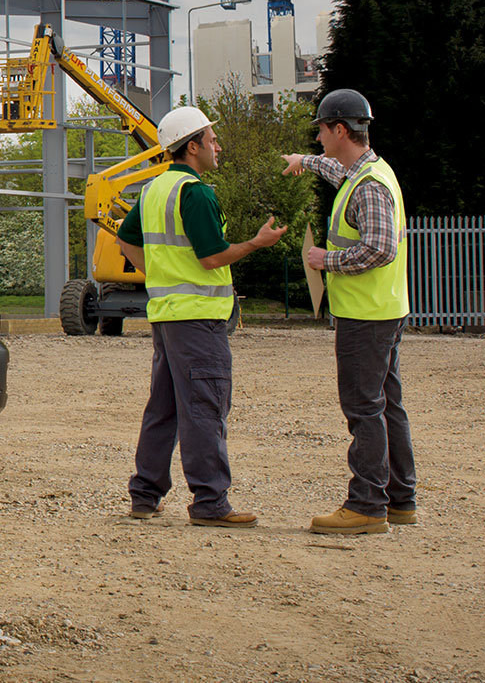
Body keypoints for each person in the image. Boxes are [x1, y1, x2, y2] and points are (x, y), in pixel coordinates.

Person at [118, 106, 287, 527]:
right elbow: (212, 257)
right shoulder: (196, 192)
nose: (218, 147)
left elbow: (125, 242)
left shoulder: (155, 190)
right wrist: (256, 243)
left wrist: (160, 274)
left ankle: (145, 494)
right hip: (198, 320)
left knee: (165, 408)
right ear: (192, 147)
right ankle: (210, 502)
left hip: (168, 316)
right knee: (204, 408)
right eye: (212, 140)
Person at [280, 88, 415, 535]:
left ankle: (366, 506)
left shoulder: (370, 186)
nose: (318, 137)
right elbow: (337, 171)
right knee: (386, 405)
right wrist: (305, 160)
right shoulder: (366, 173)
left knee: (363, 408)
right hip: (383, 309)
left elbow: (378, 248)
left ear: (340, 129)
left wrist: (325, 260)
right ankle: (400, 500)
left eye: (320, 130)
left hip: (366, 316)